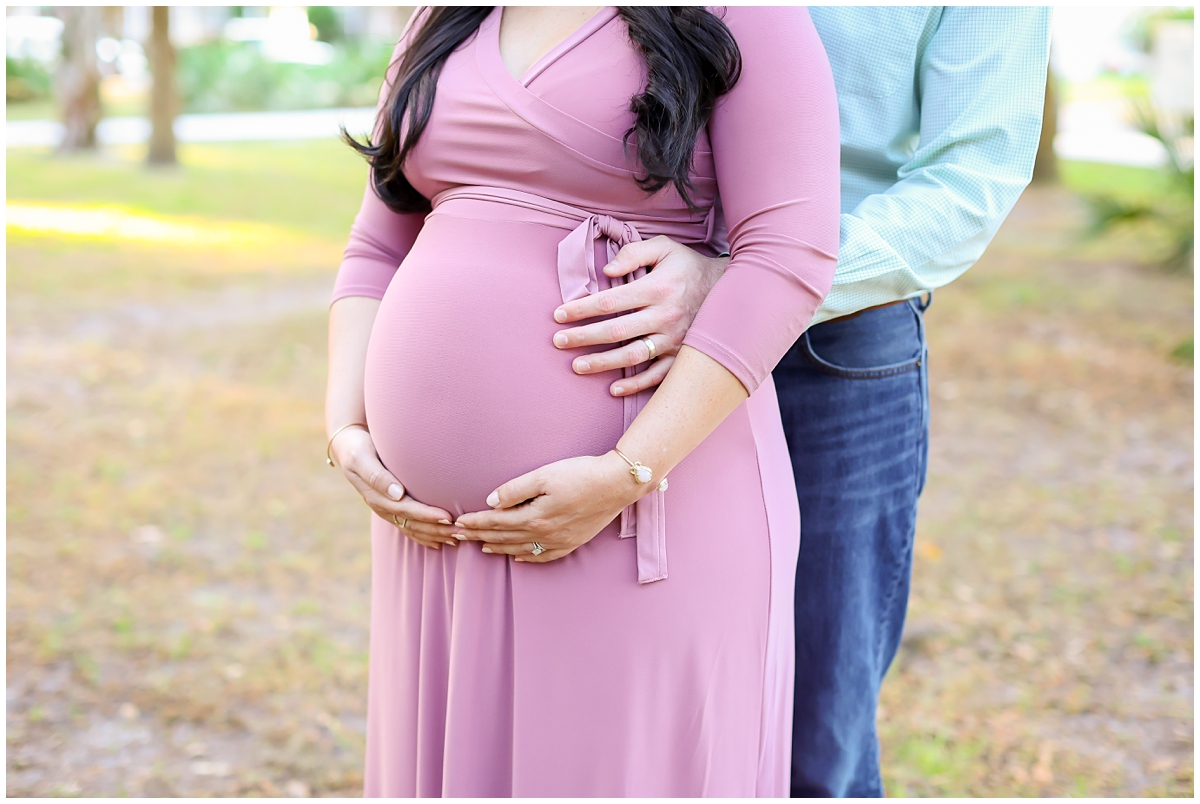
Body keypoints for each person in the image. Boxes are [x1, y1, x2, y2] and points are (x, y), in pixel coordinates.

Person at [324, 6, 840, 797]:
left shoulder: (743, 12)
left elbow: (790, 255)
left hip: (639, 508)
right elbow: (375, 246)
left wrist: (629, 470)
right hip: (433, 543)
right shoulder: (445, 15)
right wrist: (347, 425)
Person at [543, 7, 1053, 797]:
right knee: (624, 710)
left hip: (829, 343)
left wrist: (748, 282)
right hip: (616, 322)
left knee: (815, 725)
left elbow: (972, 179)